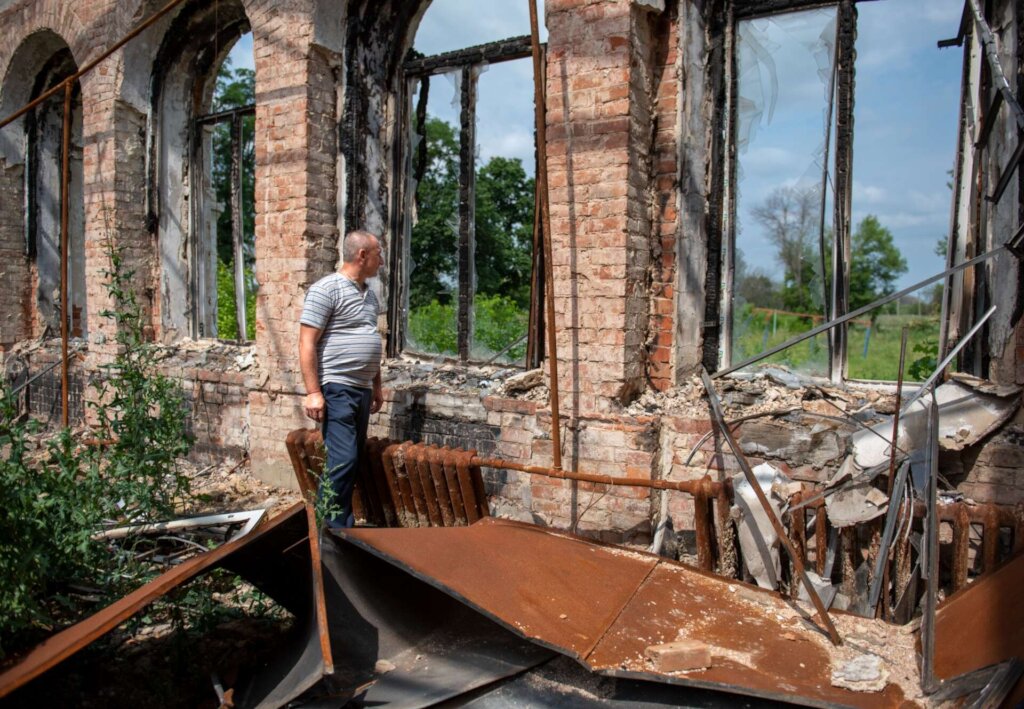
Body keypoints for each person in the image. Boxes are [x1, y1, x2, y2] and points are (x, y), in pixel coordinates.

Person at [299, 230, 384, 528]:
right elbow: (307, 342)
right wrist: (313, 392)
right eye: (378, 254)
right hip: (336, 388)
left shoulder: (369, 295)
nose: (381, 261)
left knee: (351, 460)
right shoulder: (326, 289)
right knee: (343, 459)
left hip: (360, 389)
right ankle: (326, 529)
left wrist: (376, 385)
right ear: (362, 255)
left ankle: (339, 525)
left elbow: (370, 340)